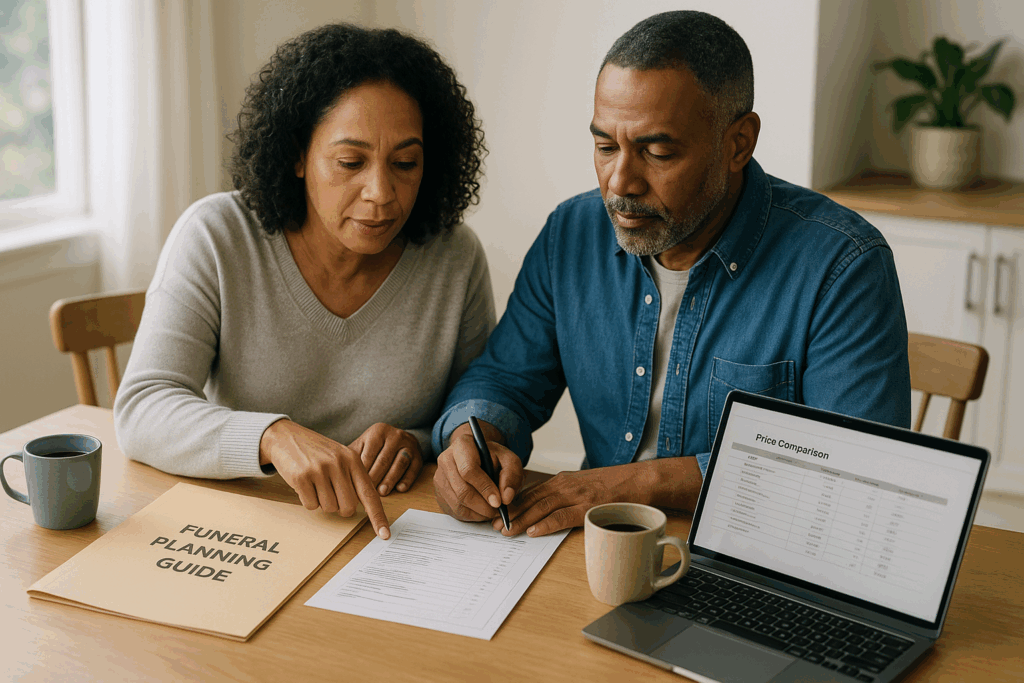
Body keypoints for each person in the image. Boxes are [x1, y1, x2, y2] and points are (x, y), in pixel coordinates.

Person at [431, 11, 911, 537]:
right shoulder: (572, 234)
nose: (620, 182)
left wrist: (631, 485)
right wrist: (471, 439)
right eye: (605, 146)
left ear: (738, 144)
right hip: (598, 546)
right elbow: (505, 378)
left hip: (754, 553)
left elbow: (855, 469)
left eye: (657, 152)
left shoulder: (842, 265)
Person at [115, 24, 494, 541]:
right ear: (297, 155)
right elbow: (143, 407)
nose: (381, 193)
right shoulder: (218, 236)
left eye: (406, 162)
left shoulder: (454, 257)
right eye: (350, 162)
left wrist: (419, 441)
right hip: (245, 526)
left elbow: (475, 414)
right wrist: (271, 436)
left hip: (390, 532)